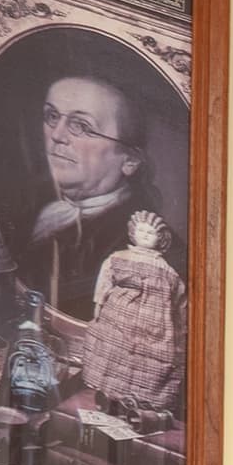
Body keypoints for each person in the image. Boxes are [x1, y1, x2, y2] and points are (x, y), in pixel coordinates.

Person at [23, 70, 162, 317]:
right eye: (52, 116)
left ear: (129, 160)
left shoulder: (143, 245)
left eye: (82, 126)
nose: (56, 135)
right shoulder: (28, 205)